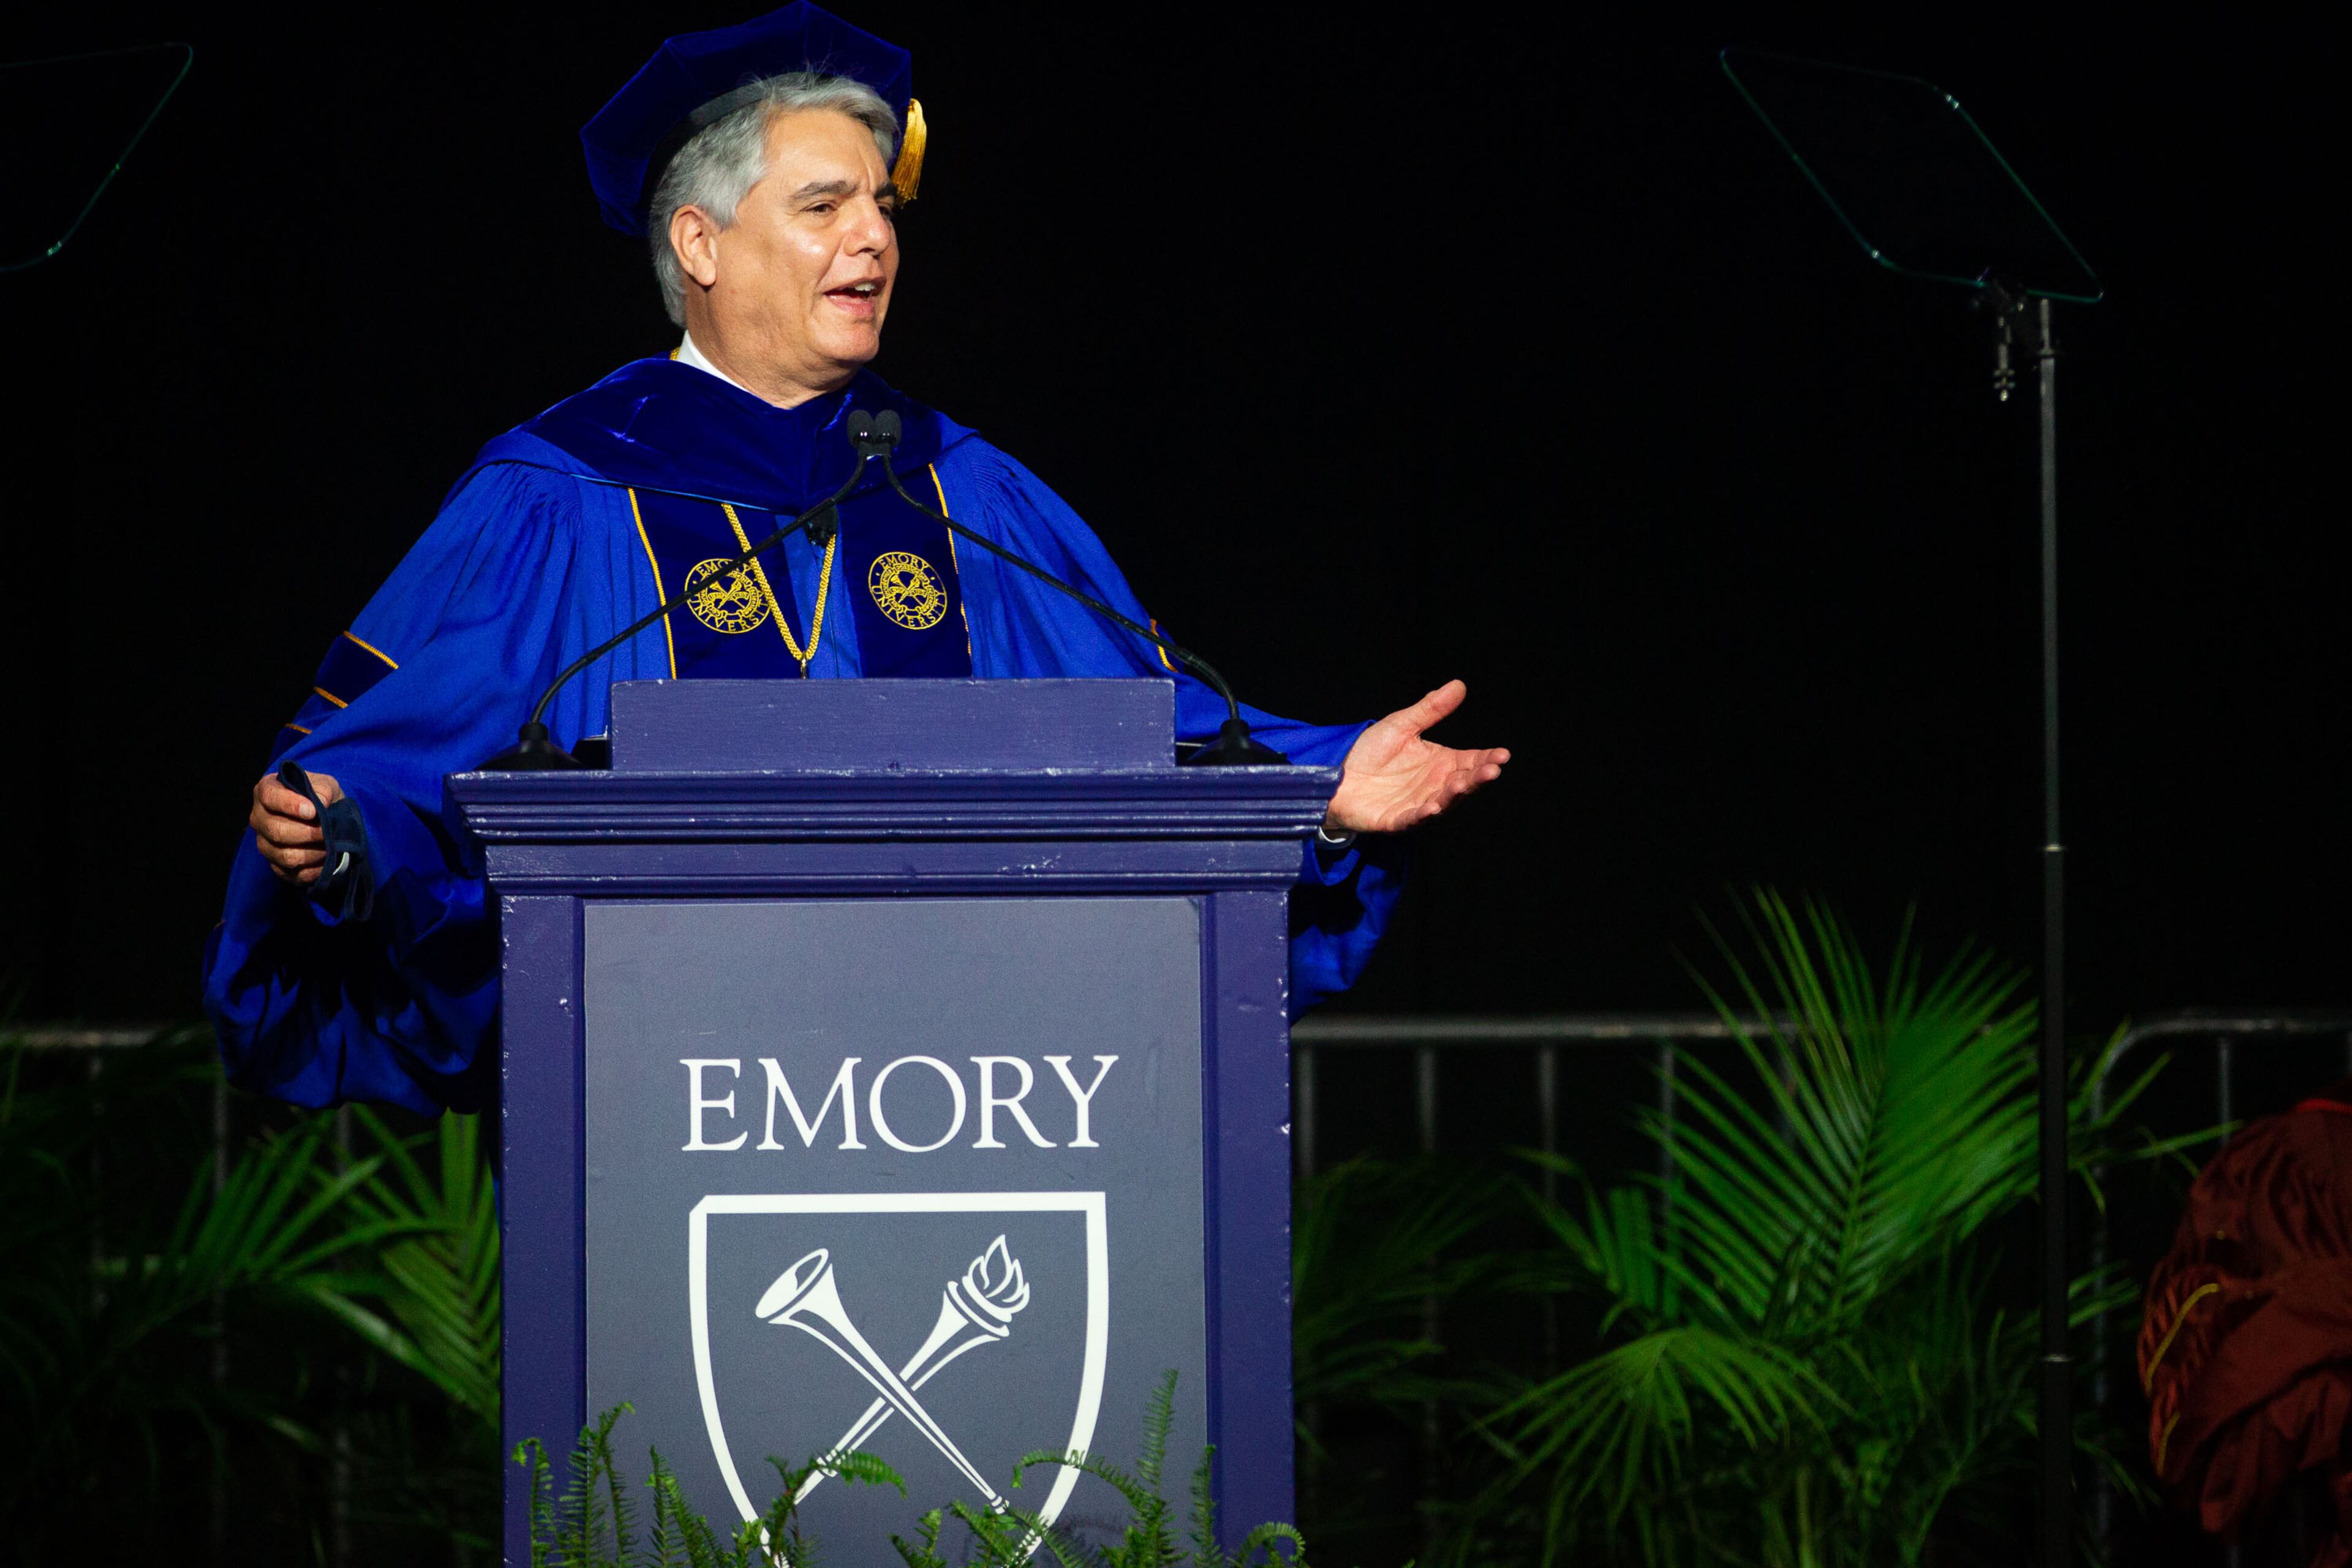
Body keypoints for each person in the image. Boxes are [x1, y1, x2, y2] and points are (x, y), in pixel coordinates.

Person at [203, 3, 1508, 1117]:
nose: (875, 238)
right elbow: (404, 748)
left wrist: (1324, 786)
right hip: (662, 1106)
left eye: (881, 207)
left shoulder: (965, 491)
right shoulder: (560, 494)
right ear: (700, 245)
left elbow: (1148, 736)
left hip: (969, 1091)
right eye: (823, 204)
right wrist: (339, 830)